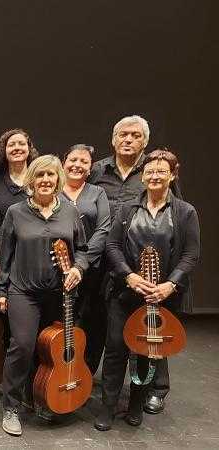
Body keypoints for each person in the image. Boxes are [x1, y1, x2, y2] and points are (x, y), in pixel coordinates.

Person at [94, 149, 200, 431]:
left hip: (162, 295)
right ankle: (107, 407)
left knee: (147, 350)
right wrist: (128, 276)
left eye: (161, 171)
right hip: (125, 292)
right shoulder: (128, 209)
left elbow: (191, 253)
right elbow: (112, 246)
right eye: (150, 171)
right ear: (143, 176)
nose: (154, 176)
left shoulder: (185, 211)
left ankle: (136, 405)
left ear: (172, 175)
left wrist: (171, 284)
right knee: (115, 348)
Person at [88, 115, 182, 414]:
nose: (128, 140)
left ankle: (156, 388)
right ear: (113, 140)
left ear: (145, 140)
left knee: (150, 325)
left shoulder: (155, 170)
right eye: (122, 135)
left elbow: (174, 216)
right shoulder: (98, 170)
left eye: (135, 135)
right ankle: (92, 378)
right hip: (104, 260)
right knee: (99, 322)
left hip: (148, 268)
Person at [0, 155, 88, 436]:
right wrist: (1, 288)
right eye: (40, 176)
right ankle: (11, 406)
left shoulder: (70, 212)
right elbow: (5, 254)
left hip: (61, 294)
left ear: (58, 180)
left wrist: (79, 268)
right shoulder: (15, 212)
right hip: (24, 291)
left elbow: (82, 249)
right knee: (22, 345)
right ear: (31, 181)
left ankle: (44, 398)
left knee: (51, 350)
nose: (45, 181)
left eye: (50, 176)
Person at [59, 144, 111, 374]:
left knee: (88, 322)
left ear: (90, 169)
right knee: (58, 322)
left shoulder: (97, 193)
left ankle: (83, 372)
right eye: (73, 160)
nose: (77, 165)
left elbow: (103, 228)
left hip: (90, 270)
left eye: (84, 162)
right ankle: (56, 370)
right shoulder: (52, 189)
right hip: (56, 268)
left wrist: (81, 264)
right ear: (64, 162)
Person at [0, 129, 39, 219]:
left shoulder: (39, 177)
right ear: (4, 150)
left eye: (21, 144)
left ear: (29, 149)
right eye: (11, 145)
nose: (17, 148)